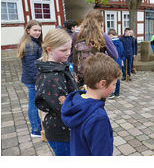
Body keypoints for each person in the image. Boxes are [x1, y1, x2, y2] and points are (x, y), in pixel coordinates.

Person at [61, 53, 121, 156]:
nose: (115, 87)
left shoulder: (77, 101)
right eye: (114, 84)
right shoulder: (98, 117)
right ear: (102, 84)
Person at [35, 28, 78, 156]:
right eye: (63, 50)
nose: (68, 53)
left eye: (70, 49)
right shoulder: (51, 76)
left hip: (63, 127)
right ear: (49, 49)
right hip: (60, 131)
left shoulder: (59, 66)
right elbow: (64, 107)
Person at [72, 10, 118, 87]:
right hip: (98, 75)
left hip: (81, 75)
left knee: (82, 96)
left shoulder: (75, 35)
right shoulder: (103, 36)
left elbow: (70, 56)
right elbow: (114, 55)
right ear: (100, 22)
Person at [17, 20, 43, 137]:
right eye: (35, 30)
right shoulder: (29, 45)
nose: (38, 32)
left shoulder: (33, 42)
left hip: (32, 79)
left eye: (39, 30)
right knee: (33, 105)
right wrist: (37, 81)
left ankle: (38, 125)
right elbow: (32, 67)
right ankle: (35, 130)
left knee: (34, 104)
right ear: (28, 30)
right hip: (32, 80)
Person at [108, 29, 124, 98]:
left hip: (112, 61)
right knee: (117, 77)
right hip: (119, 61)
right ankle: (117, 92)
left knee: (111, 78)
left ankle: (111, 93)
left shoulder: (110, 43)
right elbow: (122, 52)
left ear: (111, 35)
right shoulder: (120, 43)